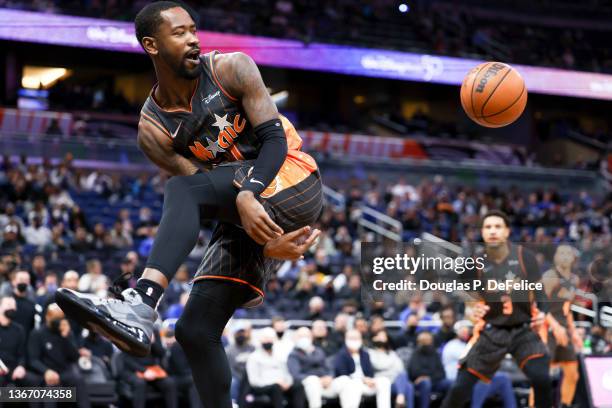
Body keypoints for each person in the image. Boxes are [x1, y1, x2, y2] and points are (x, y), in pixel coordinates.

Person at [56, 4, 323, 407]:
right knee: (195, 330)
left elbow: (274, 141)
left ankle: (142, 303)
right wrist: (265, 248)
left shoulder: (232, 68)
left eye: (194, 30)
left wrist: (249, 193)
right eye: (179, 33)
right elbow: (210, 194)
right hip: (245, 206)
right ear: (152, 45)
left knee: (182, 191)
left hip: (293, 177)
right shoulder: (153, 128)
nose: (193, 39)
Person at [441, 211, 552, 408]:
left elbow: (540, 291)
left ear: (507, 232)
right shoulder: (474, 263)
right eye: (488, 227)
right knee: (460, 387)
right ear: (482, 233)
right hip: (492, 330)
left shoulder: (525, 257)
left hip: (523, 329)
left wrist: (543, 312)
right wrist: (469, 310)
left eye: (497, 227)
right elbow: (461, 296)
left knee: (542, 378)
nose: (493, 231)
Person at [27, 304, 91, 408]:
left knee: (78, 379)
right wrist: (46, 371)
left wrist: (66, 337)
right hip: (46, 371)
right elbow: (33, 360)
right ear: (47, 317)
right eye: (55, 318)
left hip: (64, 370)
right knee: (50, 387)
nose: (58, 321)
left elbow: (75, 357)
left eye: (60, 318)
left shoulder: (66, 332)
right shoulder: (37, 334)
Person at [442, 320, 516, 408]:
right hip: (456, 380)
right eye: (462, 330)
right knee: (481, 379)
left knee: (503, 378)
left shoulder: (472, 344)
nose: (465, 332)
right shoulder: (452, 345)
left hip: (473, 380)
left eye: (468, 329)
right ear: (456, 331)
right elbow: (472, 359)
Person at [542, 244, 581, 408]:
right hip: (546, 325)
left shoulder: (574, 280)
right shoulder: (550, 276)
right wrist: (555, 326)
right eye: (561, 253)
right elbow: (539, 306)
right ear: (555, 257)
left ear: (573, 258)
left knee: (572, 373)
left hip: (563, 326)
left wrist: (573, 331)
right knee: (543, 375)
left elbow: (568, 309)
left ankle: (565, 405)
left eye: (568, 253)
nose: (565, 256)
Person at [288, 327, 356, 408]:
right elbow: (296, 375)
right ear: (295, 338)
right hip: (309, 385)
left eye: (307, 336)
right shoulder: (293, 355)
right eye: (301, 336)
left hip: (326, 384)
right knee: (312, 380)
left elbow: (329, 368)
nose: (304, 339)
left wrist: (329, 377)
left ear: (311, 337)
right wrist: (319, 379)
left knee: (345, 379)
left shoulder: (319, 351)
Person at [245, 328, 305, 408]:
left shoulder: (279, 356)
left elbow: (286, 373)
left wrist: (288, 383)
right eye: (266, 338)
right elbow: (254, 381)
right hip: (263, 386)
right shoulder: (253, 357)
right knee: (276, 387)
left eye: (270, 338)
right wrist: (275, 382)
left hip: (281, 385)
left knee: (298, 385)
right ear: (260, 340)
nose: (268, 341)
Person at [334, 329, 391, 408]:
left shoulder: (365, 354)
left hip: (366, 384)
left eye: (356, 338)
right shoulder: (341, 354)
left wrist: (369, 380)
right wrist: (362, 379)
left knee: (384, 381)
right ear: (346, 339)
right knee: (354, 383)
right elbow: (343, 374)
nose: (354, 341)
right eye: (351, 338)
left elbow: (370, 373)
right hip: (351, 383)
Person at [120, 329, 177, 408]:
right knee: (140, 383)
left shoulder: (153, 331)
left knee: (169, 382)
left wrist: (153, 342)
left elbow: (161, 353)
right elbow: (126, 359)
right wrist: (144, 371)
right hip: (133, 370)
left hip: (152, 369)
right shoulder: (130, 329)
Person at [0, 295, 42, 388]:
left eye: (14, 305)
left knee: (35, 381)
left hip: (14, 369)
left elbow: (21, 354)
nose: (12, 308)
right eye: (8, 304)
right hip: (1, 369)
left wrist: (21, 366)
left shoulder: (19, 329)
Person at [369, 330, 414, 408]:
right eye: (379, 336)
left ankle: (400, 396)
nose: (381, 338)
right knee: (407, 386)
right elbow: (379, 365)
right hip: (382, 382)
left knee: (407, 382)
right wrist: (391, 364)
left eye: (383, 336)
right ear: (374, 338)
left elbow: (400, 368)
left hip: (395, 381)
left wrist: (390, 366)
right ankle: (400, 397)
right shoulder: (371, 352)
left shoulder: (392, 353)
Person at [408, 332, 450, 408]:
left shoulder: (435, 354)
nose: (426, 342)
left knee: (450, 383)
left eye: (428, 340)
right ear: (419, 342)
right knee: (425, 383)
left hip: (435, 381)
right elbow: (414, 372)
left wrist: (428, 377)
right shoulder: (415, 354)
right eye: (423, 340)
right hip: (419, 383)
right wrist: (428, 376)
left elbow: (442, 373)